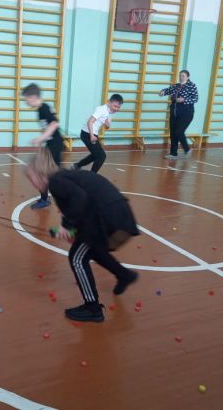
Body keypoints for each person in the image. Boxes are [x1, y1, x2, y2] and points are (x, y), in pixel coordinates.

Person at [25, 149, 139, 323]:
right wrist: (73, 231)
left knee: (77, 257)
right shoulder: (63, 177)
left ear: (40, 173)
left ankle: (93, 308)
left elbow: (80, 200)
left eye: (31, 178)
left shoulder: (56, 181)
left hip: (107, 216)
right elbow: (82, 207)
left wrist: (66, 226)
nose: (31, 183)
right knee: (94, 250)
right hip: (117, 213)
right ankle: (124, 275)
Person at [22, 83, 64, 210]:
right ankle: (45, 198)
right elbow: (46, 128)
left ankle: (51, 198)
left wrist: (40, 139)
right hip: (51, 144)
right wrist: (41, 142)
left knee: (40, 173)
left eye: (26, 99)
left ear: (33, 97)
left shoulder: (44, 108)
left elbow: (54, 124)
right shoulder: (40, 110)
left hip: (55, 145)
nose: (25, 102)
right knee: (42, 173)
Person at [72, 94, 122, 173]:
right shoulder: (102, 109)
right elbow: (90, 121)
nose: (116, 109)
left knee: (96, 155)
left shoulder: (109, 112)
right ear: (109, 102)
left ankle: (77, 166)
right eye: (115, 106)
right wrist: (92, 136)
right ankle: (92, 175)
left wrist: (107, 125)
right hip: (87, 133)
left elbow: (106, 126)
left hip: (91, 134)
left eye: (118, 107)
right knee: (101, 156)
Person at [159, 70, 198, 160]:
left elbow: (195, 98)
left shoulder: (191, 86)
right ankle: (173, 154)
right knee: (173, 133)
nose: (181, 77)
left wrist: (184, 100)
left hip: (186, 113)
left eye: (183, 76)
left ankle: (187, 149)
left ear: (187, 77)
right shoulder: (176, 86)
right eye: (180, 75)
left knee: (179, 131)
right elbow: (168, 90)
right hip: (174, 113)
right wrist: (162, 92)